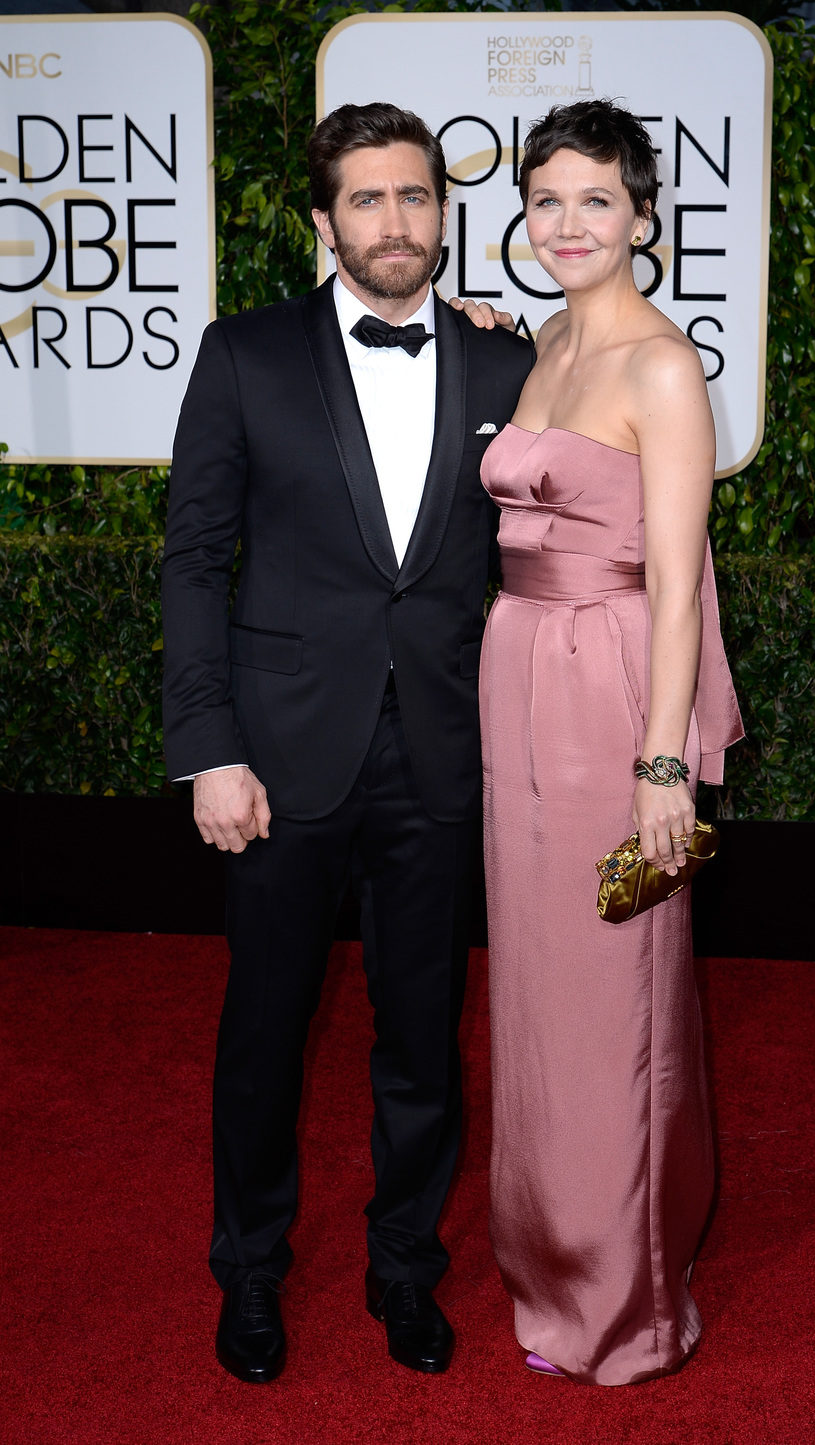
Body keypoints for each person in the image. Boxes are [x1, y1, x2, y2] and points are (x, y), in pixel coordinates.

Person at [161, 101, 534, 1384]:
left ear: (444, 213)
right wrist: (209, 744)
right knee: (265, 1033)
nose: (394, 221)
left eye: (415, 197)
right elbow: (194, 560)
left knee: (422, 1036)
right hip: (275, 759)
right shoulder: (243, 354)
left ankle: (405, 1265)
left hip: (438, 756)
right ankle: (251, 1266)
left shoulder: (502, 361)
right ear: (324, 222)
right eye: (367, 200)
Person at [477, 99, 744, 1385]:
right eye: (546, 201)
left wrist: (663, 767)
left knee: (615, 988)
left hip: (612, 688)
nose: (568, 224)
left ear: (642, 215)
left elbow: (682, 583)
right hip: (514, 676)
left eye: (596, 199)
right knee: (535, 991)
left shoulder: (662, 365)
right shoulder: (535, 343)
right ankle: (546, 1260)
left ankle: (629, 1299)